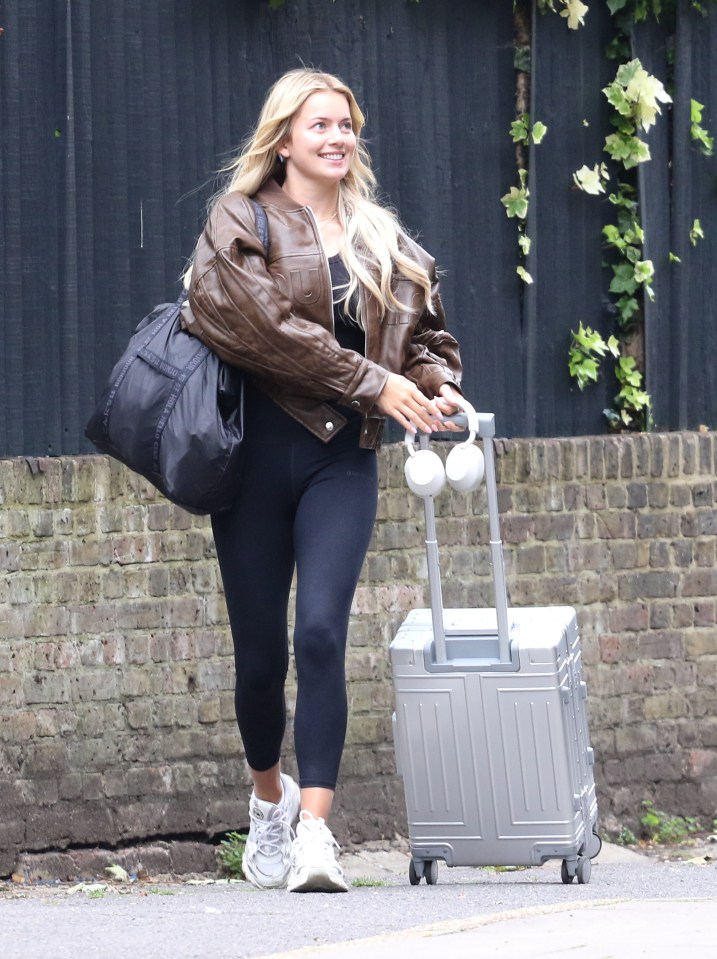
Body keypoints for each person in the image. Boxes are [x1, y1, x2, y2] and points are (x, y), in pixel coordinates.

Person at [182, 67, 464, 893]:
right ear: (283, 138)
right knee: (261, 657)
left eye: (346, 125)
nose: (338, 137)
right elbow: (262, 329)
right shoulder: (239, 221)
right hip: (255, 460)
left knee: (322, 635)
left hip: (342, 460)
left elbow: (426, 338)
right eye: (320, 125)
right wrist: (374, 382)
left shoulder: (384, 238)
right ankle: (266, 798)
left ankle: (314, 832)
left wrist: (434, 380)